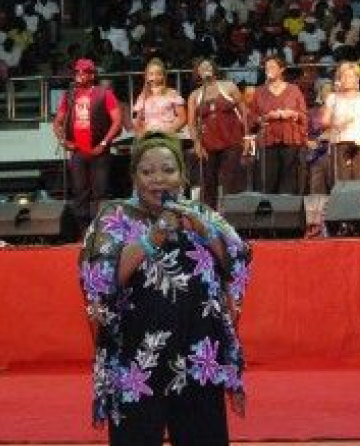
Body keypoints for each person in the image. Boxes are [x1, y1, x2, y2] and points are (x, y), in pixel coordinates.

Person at [78, 132, 250, 446]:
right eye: (147, 172)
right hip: (137, 366)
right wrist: (151, 238)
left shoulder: (200, 213)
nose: (159, 179)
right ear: (133, 177)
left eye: (168, 170)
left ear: (183, 174)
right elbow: (100, 279)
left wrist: (205, 231)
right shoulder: (113, 216)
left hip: (200, 361)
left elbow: (238, 259)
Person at [52, 58, 123, 233]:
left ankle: (103, 230)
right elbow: (57, 122)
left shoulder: (104, 93)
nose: (79, 75)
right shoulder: (69, 95)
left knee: (101, 191)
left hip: (99, 150)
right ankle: (84, 231)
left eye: (83, 72)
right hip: (77, 151)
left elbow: (117, 122)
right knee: (79, 191)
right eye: (77, 72)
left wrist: (104, 143)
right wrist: (63, 141)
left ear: (92, 75)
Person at [186, 58, 249, 209]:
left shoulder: (228, 87)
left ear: (214, 69)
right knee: (208, 184)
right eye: (202, 68)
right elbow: (191, 123)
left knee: (231, 181)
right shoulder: (195, 95)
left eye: (208, 66)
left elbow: (244, 112)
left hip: (232, 142)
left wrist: (247, 136)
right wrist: (196, 143)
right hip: (208, 145)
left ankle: (235, 217)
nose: (206, 69)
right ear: (198, 73)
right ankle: (210, 220)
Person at [249, 55, 307, 194]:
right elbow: (252, 117)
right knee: (268, 182)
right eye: (267, 67)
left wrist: (292, 114)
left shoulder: (294, 90)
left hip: (289, 139)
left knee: (289, 182)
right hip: (268, 141)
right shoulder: (259, 92)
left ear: (282, 69)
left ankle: (287, 213)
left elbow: (303, 115)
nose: (269, 70)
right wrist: (266, 117)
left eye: (272, 67)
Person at [320, 61, 360, 181]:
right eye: (344, 76)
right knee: (343, 185)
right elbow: (324, 121)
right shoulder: (333, 98)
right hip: (340, 144)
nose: (347, 79)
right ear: (339, 79)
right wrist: (336, 124)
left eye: (351, 76)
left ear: (357, 79)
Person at [132, 58, 187, 138]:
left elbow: (182, 118)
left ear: (163, 76)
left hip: (168, 134)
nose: (155, 77)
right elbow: (138, 120)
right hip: (149, 135)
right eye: (151, 74)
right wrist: (142, 133)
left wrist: (169, 131)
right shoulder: (143, 96)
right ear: (146, 76)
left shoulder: (171, 93)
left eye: (158, 74)